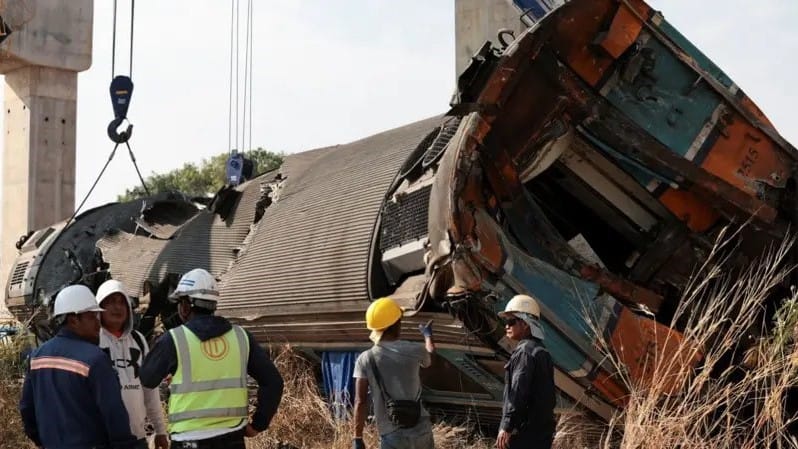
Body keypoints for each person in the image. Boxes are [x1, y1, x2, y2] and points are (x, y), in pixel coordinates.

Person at [140, 268, 284, 449]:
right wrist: (258, 425)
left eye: (180, 302)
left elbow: (147, 378)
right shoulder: (241, 337)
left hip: (189, 440)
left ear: (186, 306)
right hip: (232, 439)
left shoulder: (175, 339)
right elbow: (273, 382)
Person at [19, 284, 138, 449]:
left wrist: (41, 440)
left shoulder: (37, 357)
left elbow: (27, 408)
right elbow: (114, 414)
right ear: (73, 320)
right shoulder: (95, 359)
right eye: (92, 317)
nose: (98, 324)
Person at [352, 297, 436, 449]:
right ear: (397, 324)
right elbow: (430, 356)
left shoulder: (365, 359)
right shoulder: (415, 350)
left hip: (392, 434)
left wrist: (357, 437)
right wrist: (427, 336)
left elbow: (360, 401)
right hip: (421, 429)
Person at [97, 279, 169, 449]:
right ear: (99, 307)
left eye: (122, 302)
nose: (117, 307)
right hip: (104, 440)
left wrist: (160, 430)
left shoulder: (138, 340)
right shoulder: (93, 341)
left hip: (137, 438)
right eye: (110, 301)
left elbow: (149, 389)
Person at [496, 294, 556, 449]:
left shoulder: (524, 352)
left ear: (525, 324)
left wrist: (507, 425)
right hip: (541, 433)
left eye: (511, 321)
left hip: (523, 432)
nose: (506, 326)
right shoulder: (541, 351)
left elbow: (518, 392)